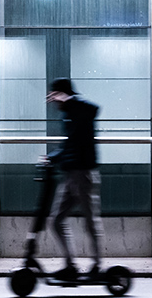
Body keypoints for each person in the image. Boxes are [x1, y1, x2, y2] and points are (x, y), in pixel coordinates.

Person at [41, 78, 105, 281]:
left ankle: (96, 266)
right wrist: (52, 158)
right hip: (70, 175)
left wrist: (69, 99)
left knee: (90, 221)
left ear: (64, 93)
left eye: (56, 95)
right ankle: (70, 266)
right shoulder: (69, 114)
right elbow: (70, 143)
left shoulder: (80, 109)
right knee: (56, 220)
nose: (54, 101)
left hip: (84, 173)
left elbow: (93, 109)